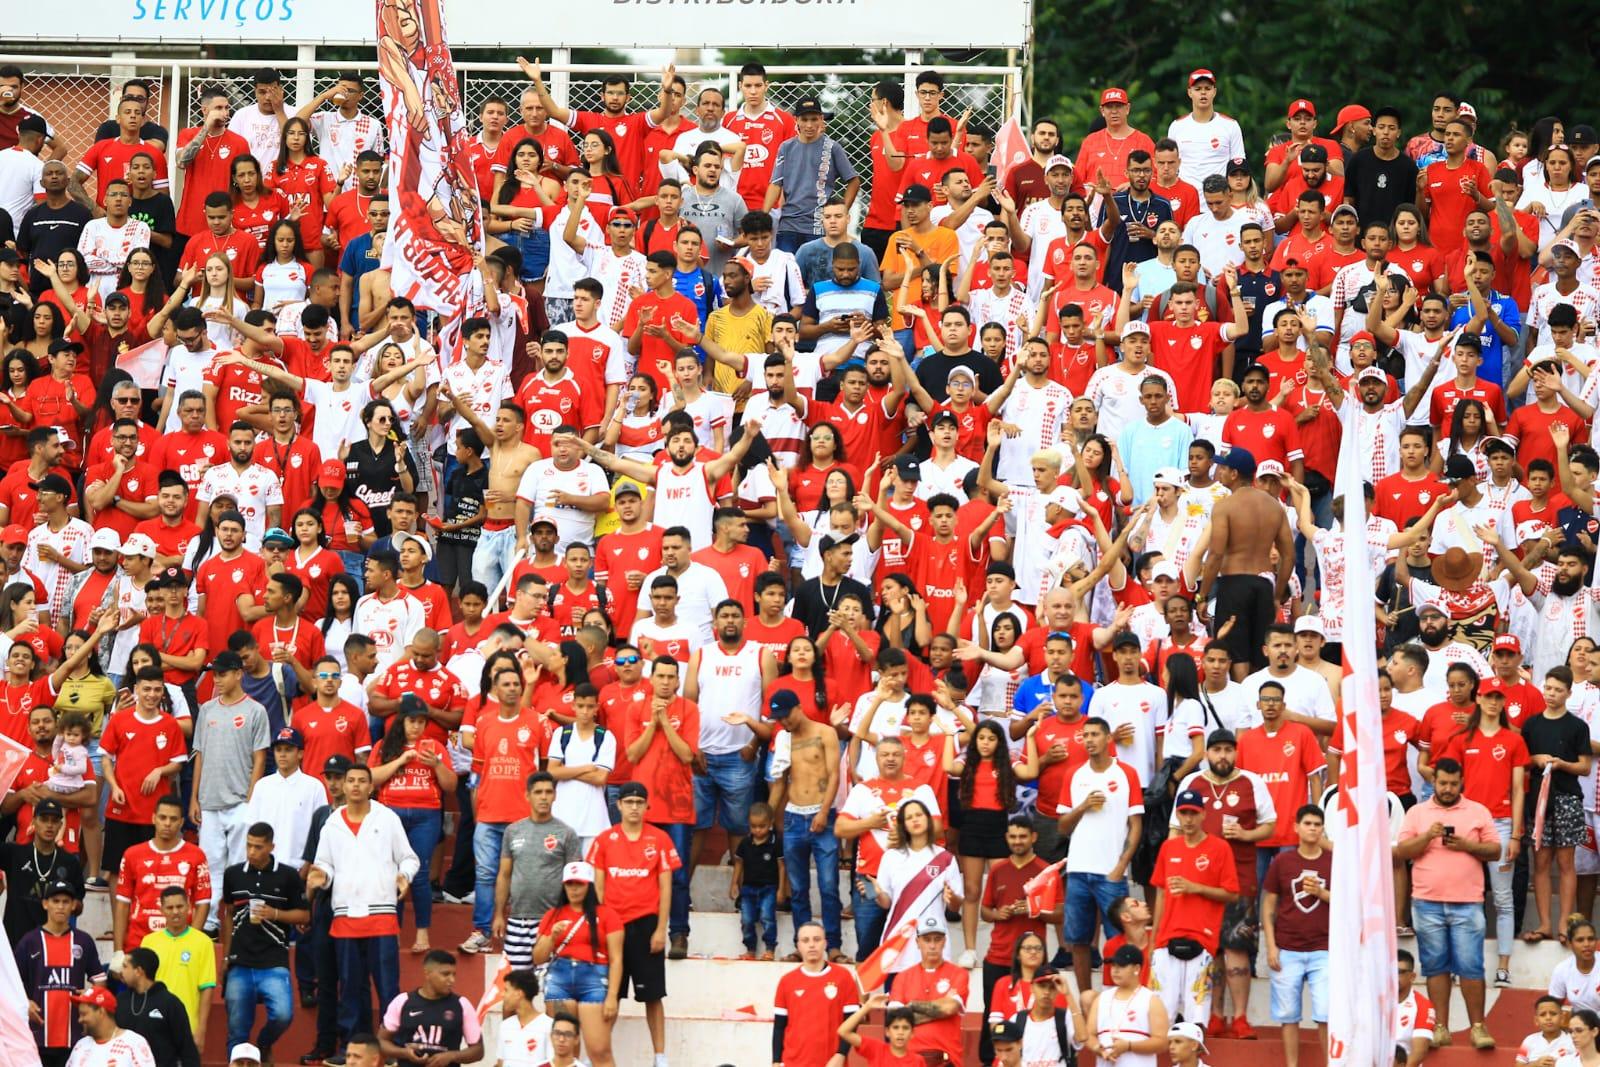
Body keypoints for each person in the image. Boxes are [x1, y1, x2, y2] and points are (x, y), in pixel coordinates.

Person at [307, 762, 420, 1051]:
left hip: (381, 914)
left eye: (361, 781)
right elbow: (325, 864)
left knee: (388, 989)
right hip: (345, 916)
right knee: (351, 989)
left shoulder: (387, 817)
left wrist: (403, 876)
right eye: (351, 781)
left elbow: (409, 858)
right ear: (343, 787)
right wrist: (320, 876)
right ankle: (353, 1050)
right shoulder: (332, 823)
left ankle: (392, 1049)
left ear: (371, 787)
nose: (355, 786)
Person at [1395, 757, 1501, 1049]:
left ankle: (1478, 1028)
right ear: (1433, 782)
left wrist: (1467, 845)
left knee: (1471, 966)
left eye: (1453, 783)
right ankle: (1439, 1027)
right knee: (1435, 967)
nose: (1447, 788)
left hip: (1467, 902)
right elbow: (1402, 852)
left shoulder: (1478, 811)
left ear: (1461, 783)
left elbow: (1495, 850)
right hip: (1426, 902)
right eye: (1442, 783)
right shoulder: (1417, 813)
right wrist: (1428, 836)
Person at [587, 780, 679, 1067]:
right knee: (608, 994)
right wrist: (599, 927)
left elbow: (666, 888)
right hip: (613, 926)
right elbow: (598, 888)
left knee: (653, 995)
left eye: (639, 803)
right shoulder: (604, 839)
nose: (634, 807)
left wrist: (661, 929)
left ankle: (660, 1057)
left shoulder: (660, 839)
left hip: (645, 923)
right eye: (629, 802)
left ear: (646, 805)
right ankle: (597, 1053)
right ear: (619, 805)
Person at [1058, 715, 1145, 994]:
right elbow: (1062, 826)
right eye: (1085, 735)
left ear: (1109, 739)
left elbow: (1136, 825)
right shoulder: (1074, 774)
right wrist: (1083, 806)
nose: (1090, 740)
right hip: (1078, 870)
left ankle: (1119, 998)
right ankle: (1086, 1001)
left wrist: (1122, 866)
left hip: (1110, 871)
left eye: (1095, 734)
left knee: (1119, 938)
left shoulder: (1127, 773)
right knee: (1078, 940)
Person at [1199, 448, 1295, 677]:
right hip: (1263, 585)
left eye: (1223, 467)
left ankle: (1243, 707)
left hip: (1234, 584)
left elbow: (1215, 555)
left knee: (1235, 653)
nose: (1219, 471)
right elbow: (1289, 556)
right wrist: (1277, 594)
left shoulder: (1225, 506)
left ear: (1234, 474)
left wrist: (1201, 596)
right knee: (1259, 653)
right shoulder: (1274, 506)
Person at [218, 821, 309, 1063]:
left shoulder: (288, 875)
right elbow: (227, 913)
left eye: (258, 847)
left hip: (274, 960)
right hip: (240, 960)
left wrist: (275, 914)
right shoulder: (233, 874)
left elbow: (305, 915)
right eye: (248, 846)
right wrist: (226, 956)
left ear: (271, 846)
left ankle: (263, 1044)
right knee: (237, 1030)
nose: (251, 852)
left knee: (283, 1015)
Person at [1150, 788, 1240, 1028]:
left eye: (1193, 813)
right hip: (1166, 939)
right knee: (1160, 1016)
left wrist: (1195, 888)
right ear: (1177, 816)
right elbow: (1160, 894)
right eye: (1183, 813)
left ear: (1203, 815)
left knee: (1196, 1014)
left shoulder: (1220, 848)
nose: (1188, 819)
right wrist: (1154, 938)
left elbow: (1232, 893)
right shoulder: (1168, 848)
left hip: (1203, 939)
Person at [530, 862, 622, 1067]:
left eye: (578, 884)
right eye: (569, 884)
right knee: (565, 1051)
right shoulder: (553, 915)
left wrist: (613, 997)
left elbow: (616, 959)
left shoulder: (607, 915)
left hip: (594, 978)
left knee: (600, 1050)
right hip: (560, 977)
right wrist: (552, 935)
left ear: (588, 885)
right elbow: (537, 957)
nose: (573, 889)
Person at [1262, 805, 1333, 1067]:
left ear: (1323, 828)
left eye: (1317, 824)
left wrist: (1322, 894)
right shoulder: (1282, 861)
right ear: (1296, 827)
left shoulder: (1332, 860)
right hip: (1287, 948)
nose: (1313, 828)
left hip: (1324, 949)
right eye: (1308, 823)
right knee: (1288, 1015)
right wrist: (1270, 946)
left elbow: (1350, 904)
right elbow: (1268, 904)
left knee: (1326, 1013)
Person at [16, 879, 104, 1067]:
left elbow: (100, 980)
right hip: (38, 1035)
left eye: (65, 902)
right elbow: (12, 982)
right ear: (45, 904)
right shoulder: (30, 941)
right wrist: (25, 1002)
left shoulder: (83, 940)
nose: (61, 906)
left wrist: (91, 994)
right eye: (55, 901)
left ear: (74, 905)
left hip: (75, 1035)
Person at [139, 886, 216, 1051]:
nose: (175, 912)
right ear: (162, 910)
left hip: (187, 1026)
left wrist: (201, 1030)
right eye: (170, 907)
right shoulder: (149, 942)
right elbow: (141, 987)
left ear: (188, 906)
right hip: (153, 1024)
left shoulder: (203, 942)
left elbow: (207, 988)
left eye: (180, 906)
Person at [376, 950, 484, 1067]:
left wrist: (452, 1056)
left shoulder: (462, 1004)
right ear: (427, 973)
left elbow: (478, 1050)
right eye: (445, 974)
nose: (451, 980)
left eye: (454, 974)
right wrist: (404, 1053)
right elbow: (381, 1041)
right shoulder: (402, 1001)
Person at [887, 915, 969, 1063]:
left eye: (937, 939)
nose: (932, 946)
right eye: (927, 940)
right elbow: (895, 1019)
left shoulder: (959, 973)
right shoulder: (902, 977)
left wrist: (912, 1006)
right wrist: (939, 1008)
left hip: (946, 1059)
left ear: (944, 941)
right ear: (918, 942)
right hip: (908, 1060)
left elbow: (949, 1008)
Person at [115, 948, 200, 1067]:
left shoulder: (170, 1003)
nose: (120, 971)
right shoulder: (120, 1000)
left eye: (125, 966)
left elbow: (187, 1049)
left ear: (138, 971)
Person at [64, 988, 157, 1067]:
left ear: (101, 1012)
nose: (80, 1020)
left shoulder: (134, 1043)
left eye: (84, 1014)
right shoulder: (80, 1046)